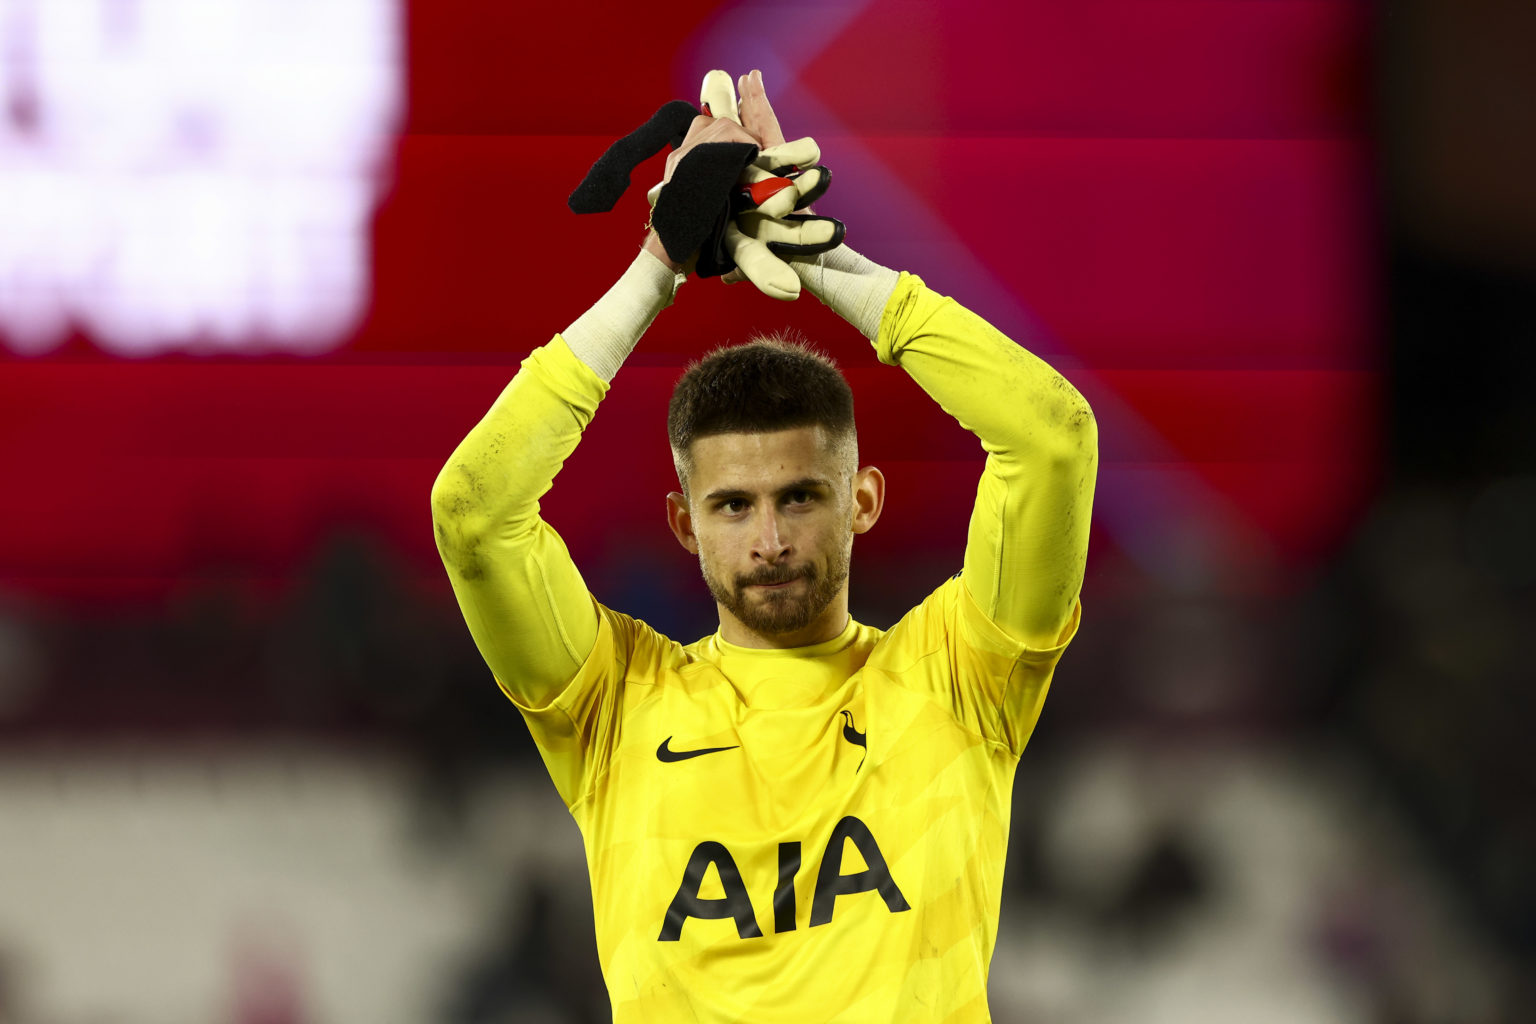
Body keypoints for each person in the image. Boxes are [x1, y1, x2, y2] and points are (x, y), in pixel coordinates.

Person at [431, 69, 1098, 1023]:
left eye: (800, 497)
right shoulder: (615, 703)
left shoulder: (961, 676)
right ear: (684, 523)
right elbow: (472, 511)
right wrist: (655, 266)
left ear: (862, 500)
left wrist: (822, 258)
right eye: (734, 506)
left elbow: (1053, 438)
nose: (771, 539)